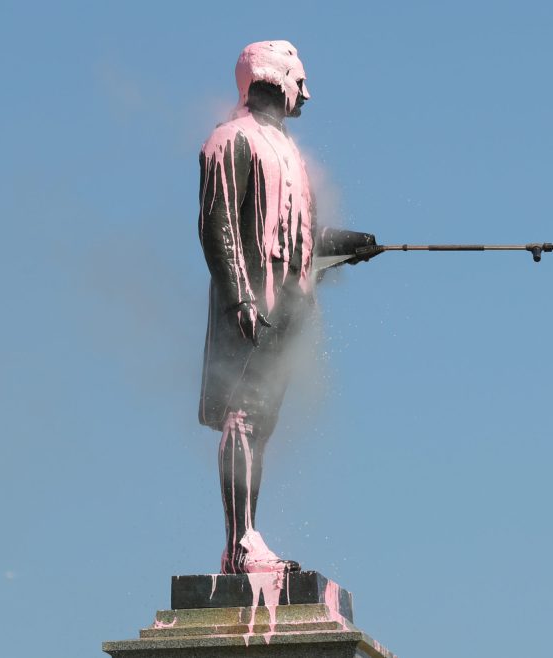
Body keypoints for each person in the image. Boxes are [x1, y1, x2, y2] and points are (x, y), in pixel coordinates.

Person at [198, 41, 373, 574]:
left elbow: (295, 235)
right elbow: (217, 224)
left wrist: (344, 244)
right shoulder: (231, 140)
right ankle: (239, 541)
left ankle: (247, 531)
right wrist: (239, 297)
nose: (307, 92)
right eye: (301, 79)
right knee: (243, 413)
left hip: (291, 306)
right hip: (252, 304)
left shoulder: (290, 152)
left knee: (263, 420)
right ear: (276, 77)